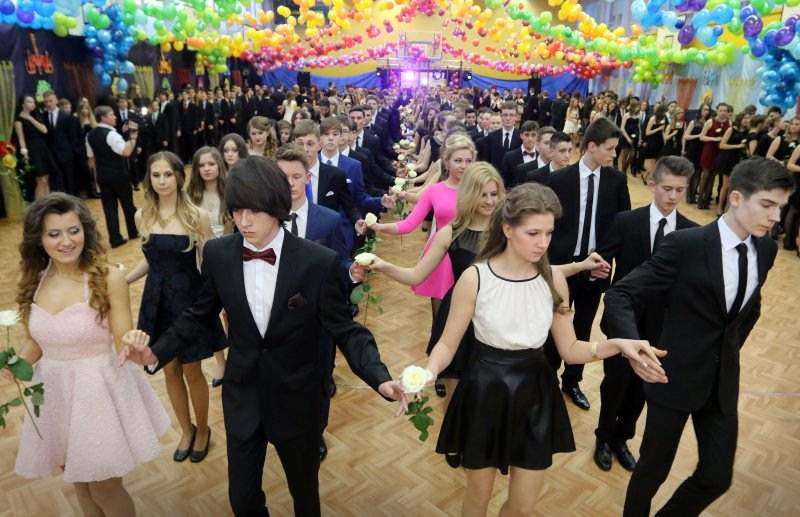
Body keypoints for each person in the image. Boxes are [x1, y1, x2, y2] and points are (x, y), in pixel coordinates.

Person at [119, 155, 407, 517]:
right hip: (243, 395)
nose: (244, 221)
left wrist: (379, 377)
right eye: (237, 211)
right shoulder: (220, 254)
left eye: (254, 211)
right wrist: (156, 353)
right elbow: (197, 314)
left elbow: (346, 330)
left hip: (298, 398)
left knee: (305, 496)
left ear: (276, 206)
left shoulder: (317, 261)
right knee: (242, 501)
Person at [411, 183, 662, 517]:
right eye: (533, 233)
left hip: (535, 392)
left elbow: (570, 349)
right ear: (507, 229)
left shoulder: (553, 281)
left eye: (549, 233)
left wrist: (617, 345)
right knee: (477, 499)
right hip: (485, 390)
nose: (543, 243)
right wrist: (427, 373)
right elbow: (446, 343)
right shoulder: (475, 277)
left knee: (523, 507)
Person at [602, 157, 793, 517]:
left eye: (781, 207)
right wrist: (632, 347)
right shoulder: (685, 244)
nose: (776, 217)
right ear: (735, 198)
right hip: (672, 376)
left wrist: (727, 350)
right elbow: (620, 295)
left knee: (716, 477)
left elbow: (750, 308)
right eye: (767, 205)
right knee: (652, 471)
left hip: (722, 382)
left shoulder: (765, 250)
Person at [11, 193, 169, 517]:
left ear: (85, 230)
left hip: (97, 394)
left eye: (74, 230)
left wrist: (133, 341)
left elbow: (122, 337)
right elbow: (38, 342)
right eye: (54, 234)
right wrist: (14, 365)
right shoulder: (34, 281)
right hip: (55, 394)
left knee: (104, 487)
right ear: (39, 239)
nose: (66, 241)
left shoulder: (108, 277)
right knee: (80, 483)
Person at [592, 156, 698, 473]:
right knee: (616, 382)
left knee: (642, 387)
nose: (673, 196)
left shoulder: (693, 233)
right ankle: (603, 437)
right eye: (667, 188)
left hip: (661, 326)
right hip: (624, 321)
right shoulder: (626, 221)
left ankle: (623, 438)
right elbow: (603, 257)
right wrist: (596, 271)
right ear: (652, 184)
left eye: (680, 190)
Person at [125, 151, 225, 464]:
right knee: (169, 370)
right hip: (156, 301)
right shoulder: (142, 216)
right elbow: (150, 260)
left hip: (188, 301)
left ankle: (203, 429)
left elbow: (208, 261)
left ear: (180, 176)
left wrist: (216, 299)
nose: (162, 181)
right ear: (149, 179)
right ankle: (186, 429)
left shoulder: (197, 215)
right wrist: (123, 281)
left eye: (168, 174)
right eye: (156, 175)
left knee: (192, 370)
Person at [544, 117, 631, 410]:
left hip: (597, 267)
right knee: (554, 324)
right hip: (562, 267)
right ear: (592, 146)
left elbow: (621, 225)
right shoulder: (559, 180)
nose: (614, 154)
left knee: (583, 325)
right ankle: (547, 379)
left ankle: (572, 381)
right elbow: (549, 226)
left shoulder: (616, 181)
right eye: (610, 148)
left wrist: (602, 261)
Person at [188, 146, 233, 386]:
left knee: (232, 311)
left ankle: (237, 353)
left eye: (211, 164)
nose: (206, 169)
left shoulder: (231, 191)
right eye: (202, 165)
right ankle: (220, 362)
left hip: (230, 256)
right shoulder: (190, 197)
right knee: (210, 312)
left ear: (219, 165)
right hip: (201, 259)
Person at [85, 105, 140, 248]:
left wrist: (97, 179)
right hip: (119, 175)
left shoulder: (90, 135)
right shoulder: (111, 134)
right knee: (128, 205)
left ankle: (115, 239)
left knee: (109, 209)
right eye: (111, 115)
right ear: (103, 118)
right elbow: (126, 152)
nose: (115, 117)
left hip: (103, 176)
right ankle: (133, 232)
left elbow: (91, 160)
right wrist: (133, 138)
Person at [14, 95, 61, 200]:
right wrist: (25, 153)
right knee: (40, 179)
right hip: (32, 150)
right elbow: (21, 138)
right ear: (23, 104)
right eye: (29, 102)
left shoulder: (36, 116)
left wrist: (29, 118)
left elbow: (44, 130)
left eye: (33, 102)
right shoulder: (18, 120)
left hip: (42, 148)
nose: (32, 104)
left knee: (47, 178)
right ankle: (39, 204)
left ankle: (47, 202)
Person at [697, 103, 732, 209]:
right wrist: (714, 139)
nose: (723, 113)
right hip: (709, 151)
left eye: (725, 111)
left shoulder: (729, 123)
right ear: (717, 111)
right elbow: (701, 137)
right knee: (705, 175)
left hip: (720, 152)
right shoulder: (710, 121)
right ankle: (700, 199)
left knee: (713, 176)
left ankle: (706, 199)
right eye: (721, 110)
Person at [479, 101, 521, 171]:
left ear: (516, 117)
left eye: (511, 115)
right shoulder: (491, 137)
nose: (508, 118)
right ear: (501, 116)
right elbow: (487, 161)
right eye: (505, 115)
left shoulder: (521, 137)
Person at [500, 120, 539, 189]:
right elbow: (504, 182)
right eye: (527, 135)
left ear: (537, 136)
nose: (530, 139)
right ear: (521, 135)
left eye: (533, 135)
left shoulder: (541, 157)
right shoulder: (509, 157)